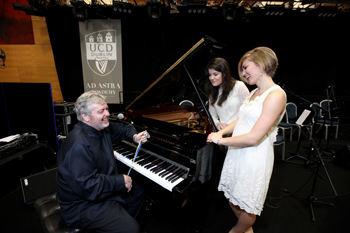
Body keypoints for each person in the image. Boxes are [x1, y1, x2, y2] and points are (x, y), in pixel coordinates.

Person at [207, 47, 286, 233]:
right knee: (232, 194)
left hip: (254, 155)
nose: (243, 73)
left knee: (248, 203)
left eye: (245, 67)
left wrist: (220, 140)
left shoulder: (276, 95)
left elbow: (254, 138)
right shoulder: (253, 92)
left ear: (261, 65)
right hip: (237, 150)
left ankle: (237, 230)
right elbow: (240, 119)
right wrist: (222, 132)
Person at [56, 91, 149, 233]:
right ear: (85, 116)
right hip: (82, 205)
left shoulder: (100, 128)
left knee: (139, 191)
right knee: (131, 228)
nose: (107, 114)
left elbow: (123, 128)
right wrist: (120, 180)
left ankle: (122, 221)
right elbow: (89, 186)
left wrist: (135, 136)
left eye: (106, 109)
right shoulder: (78, 144)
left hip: (99, 193)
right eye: (101, 111)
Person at [204, 57, 249, 131]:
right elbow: (211, 114)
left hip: (240, 130)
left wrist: (232, 126)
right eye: (210, 75)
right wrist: (217, 123)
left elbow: (248, 111)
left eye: (215, 74)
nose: (212, 78)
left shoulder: (239, 86)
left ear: (224, 73)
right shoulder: (213, 91)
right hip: (223, 132)